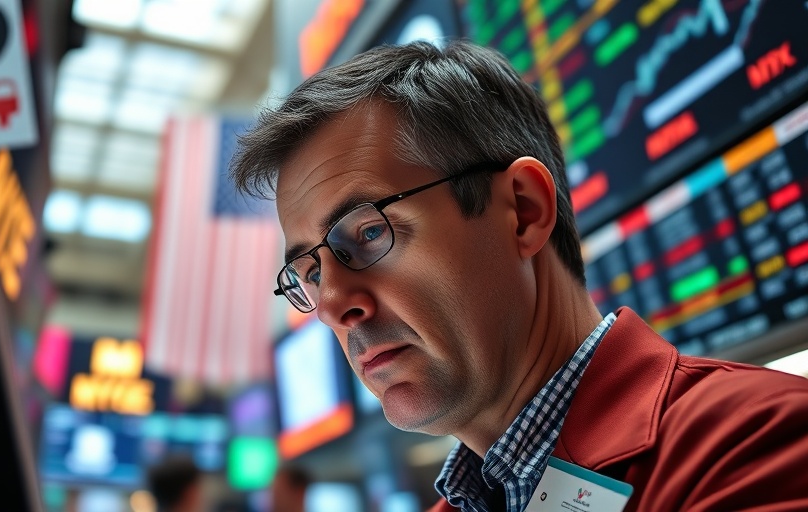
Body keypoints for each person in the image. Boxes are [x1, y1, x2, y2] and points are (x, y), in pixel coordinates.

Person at [231, 40, 808, 511]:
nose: (332, 303)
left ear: (524, 211)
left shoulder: (757, 444)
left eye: (369, 232)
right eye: (309, 270)